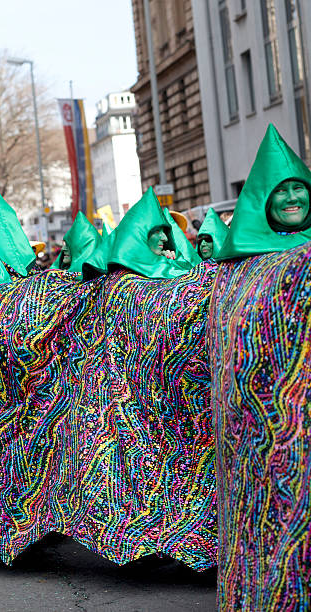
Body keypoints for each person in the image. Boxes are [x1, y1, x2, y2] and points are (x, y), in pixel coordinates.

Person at [209, 124, 311, 610]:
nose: (292, 197)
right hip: (261, 426)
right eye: (282, 190)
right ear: (262, 201)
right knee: (272, 520)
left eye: (298, 188)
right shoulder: (238, 268)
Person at [83, 187, 200, 280]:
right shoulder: (118, 280)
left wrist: (173, 263)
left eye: (167, 231)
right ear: (139, 235)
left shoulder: (170, 261)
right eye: (157, 231)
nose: (165, 238)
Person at [51, 211, 102, 278]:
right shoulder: (55, 279)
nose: (63, 249)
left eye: (69, 245)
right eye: (64, 244)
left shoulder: (107, 283)